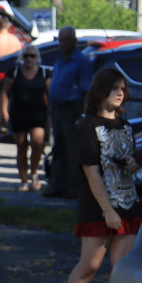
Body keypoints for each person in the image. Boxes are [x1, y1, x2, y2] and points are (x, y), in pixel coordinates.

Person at [48, 68, 142, 283]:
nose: (120, 93)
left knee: (121, 264)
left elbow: (126, 161)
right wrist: (108, 211)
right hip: (98, 206)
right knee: (90, 264)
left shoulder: (126, 125)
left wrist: (132, 164)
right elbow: (90, 173)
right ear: (100, 92)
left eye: (123, 89)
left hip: (127, 201)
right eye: (114, 88)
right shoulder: (86, 126)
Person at [43, 26, 93, 199]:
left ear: (74, 41)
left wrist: (83, 115)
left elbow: (86, 90)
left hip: (72, 109)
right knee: (58, 149)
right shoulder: (60, 59)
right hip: (57, 109)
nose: (61, 44)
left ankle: (73, 187)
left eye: (65, 40)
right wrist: (50, 108)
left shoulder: (82, 61)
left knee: (72, 149)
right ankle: (58, 185)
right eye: (60, 40)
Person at [0, 45, 50, 191]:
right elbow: (5, 92)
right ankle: (23, 180)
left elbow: (50, 95)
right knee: (21, 146)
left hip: (38, 115)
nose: (29, 58)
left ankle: (34, 173)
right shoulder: (14, 72)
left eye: (32, 56)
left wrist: (51, 115)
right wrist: (4, 111)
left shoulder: (43, 73)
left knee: (37, 143)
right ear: (22, 57)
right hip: (18, 114)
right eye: (26, 55)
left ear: (37, 58)